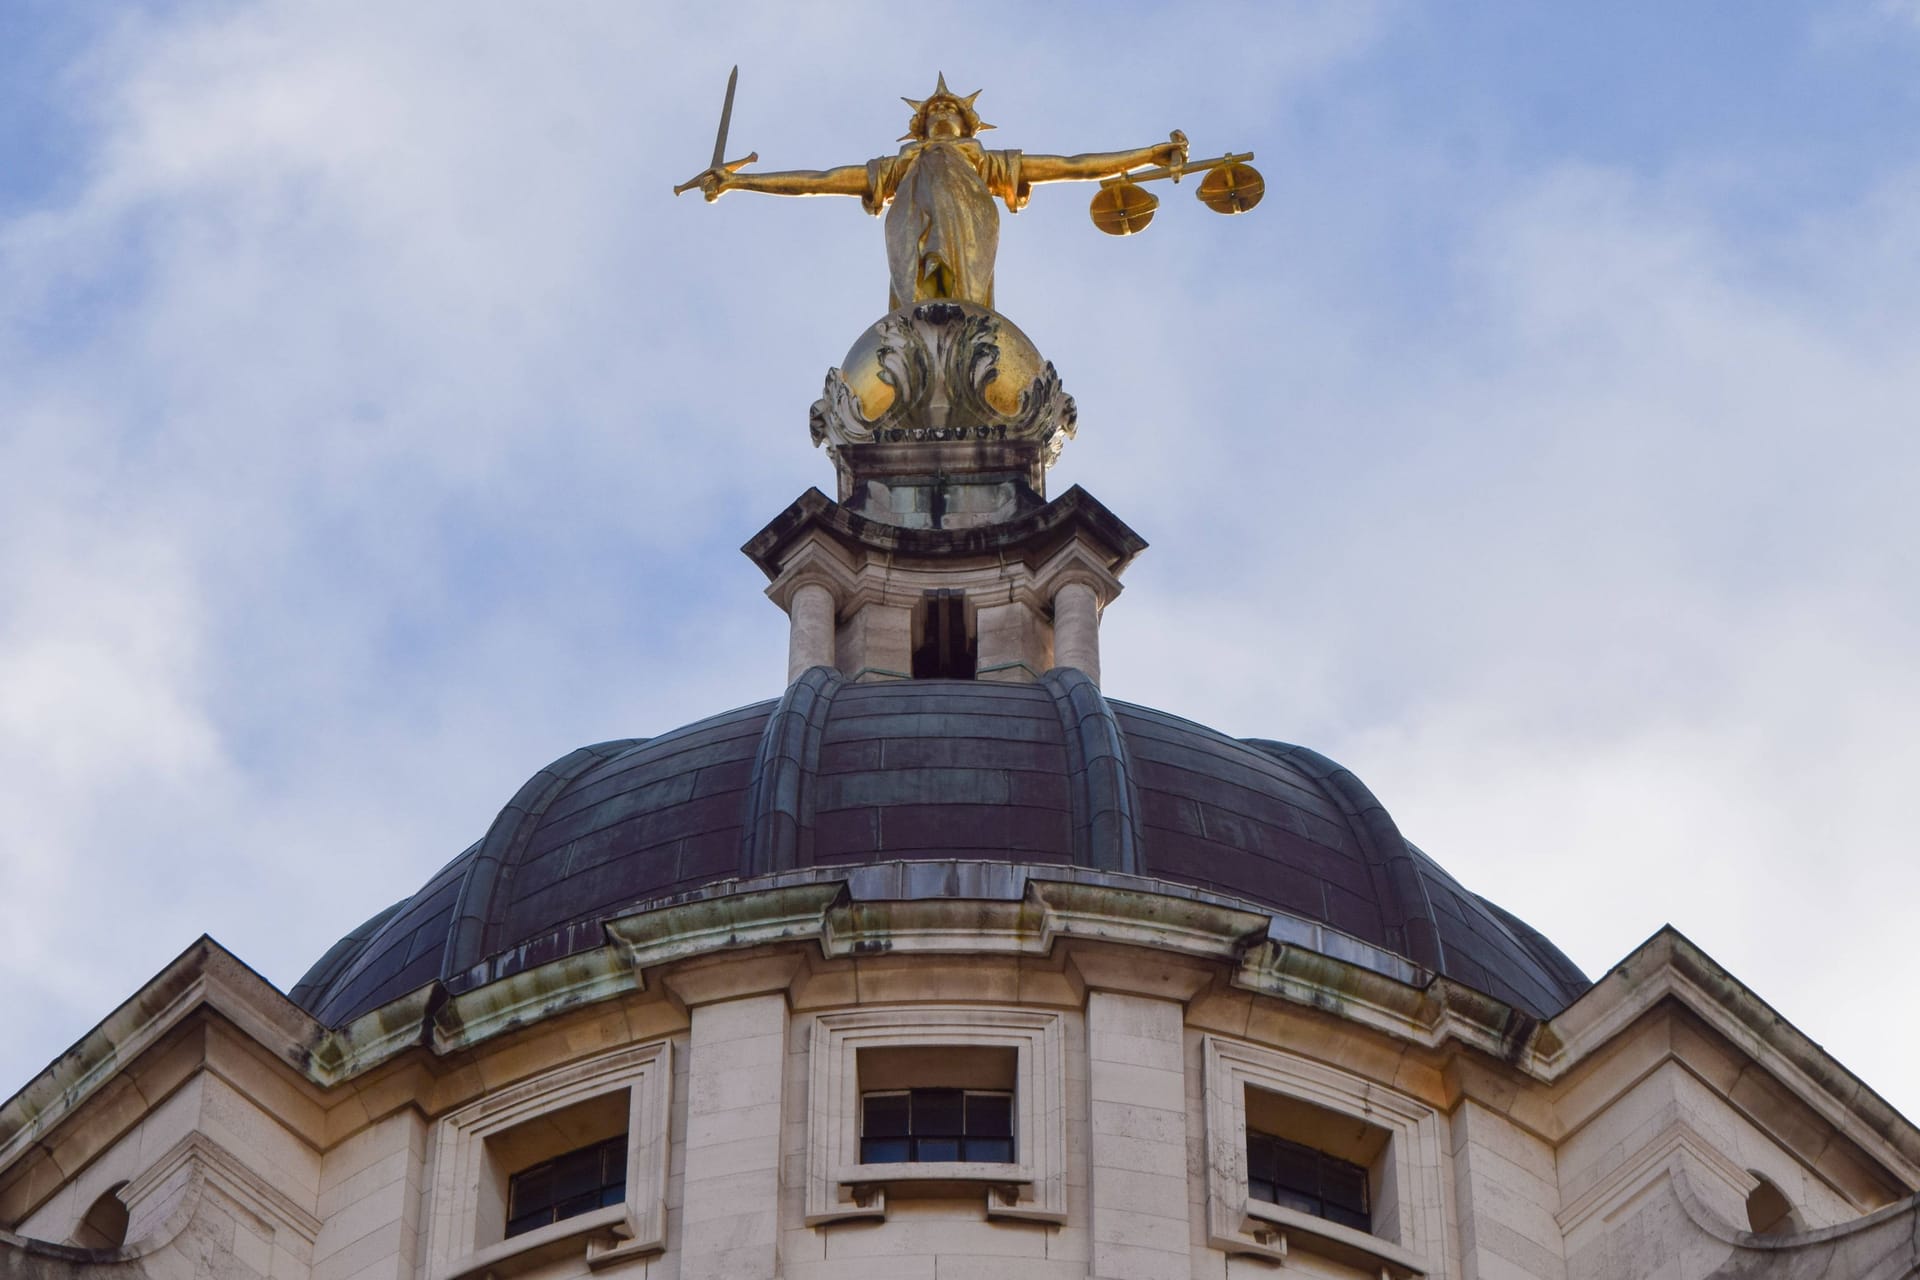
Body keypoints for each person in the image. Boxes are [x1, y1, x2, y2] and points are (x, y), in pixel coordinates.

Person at [698, 75, 1187, 310]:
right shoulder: (903, 164)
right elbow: (824, 180)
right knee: (919, 301)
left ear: (968, 122)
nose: (942, 111)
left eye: (951, 107)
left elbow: (1071, 166)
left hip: (969, 219)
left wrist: (1146, 154)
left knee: (962, 306)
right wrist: (742, 181)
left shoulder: (982, 159)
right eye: (934, 109)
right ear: (920, 123)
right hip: (910, 220)